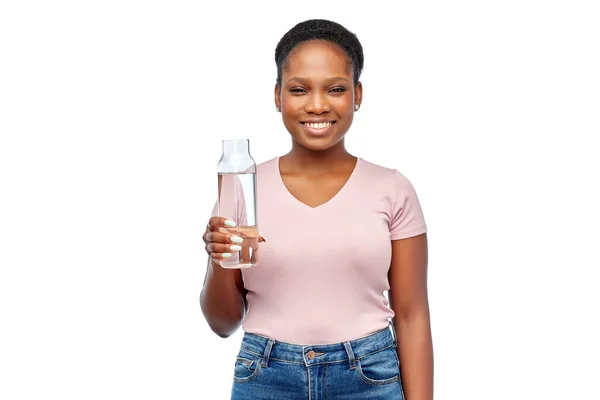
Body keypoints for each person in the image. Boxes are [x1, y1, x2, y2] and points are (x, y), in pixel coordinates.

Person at [200, 19, 433, 400]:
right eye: (298, 89)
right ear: (277, 96)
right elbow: (222, 323)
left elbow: (412, 316)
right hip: (266, 376)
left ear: (357, 95)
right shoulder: (243, 186)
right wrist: (216, 258)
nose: (318, 104)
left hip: (370, 378)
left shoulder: (393, 189)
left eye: (336, 89)